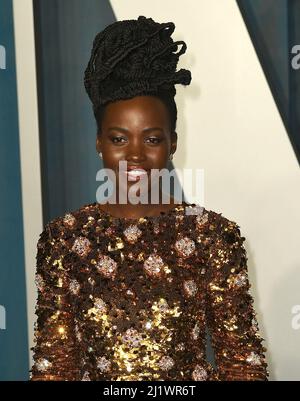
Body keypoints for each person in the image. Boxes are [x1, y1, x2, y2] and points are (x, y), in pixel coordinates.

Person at [30, 16, 268, 381]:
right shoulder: (64, 240)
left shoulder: (213, 237)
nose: (135, 155)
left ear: (173, 143)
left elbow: (242, 366)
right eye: (119, 138)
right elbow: (53, 366)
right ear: (99, 143)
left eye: (152, 139)